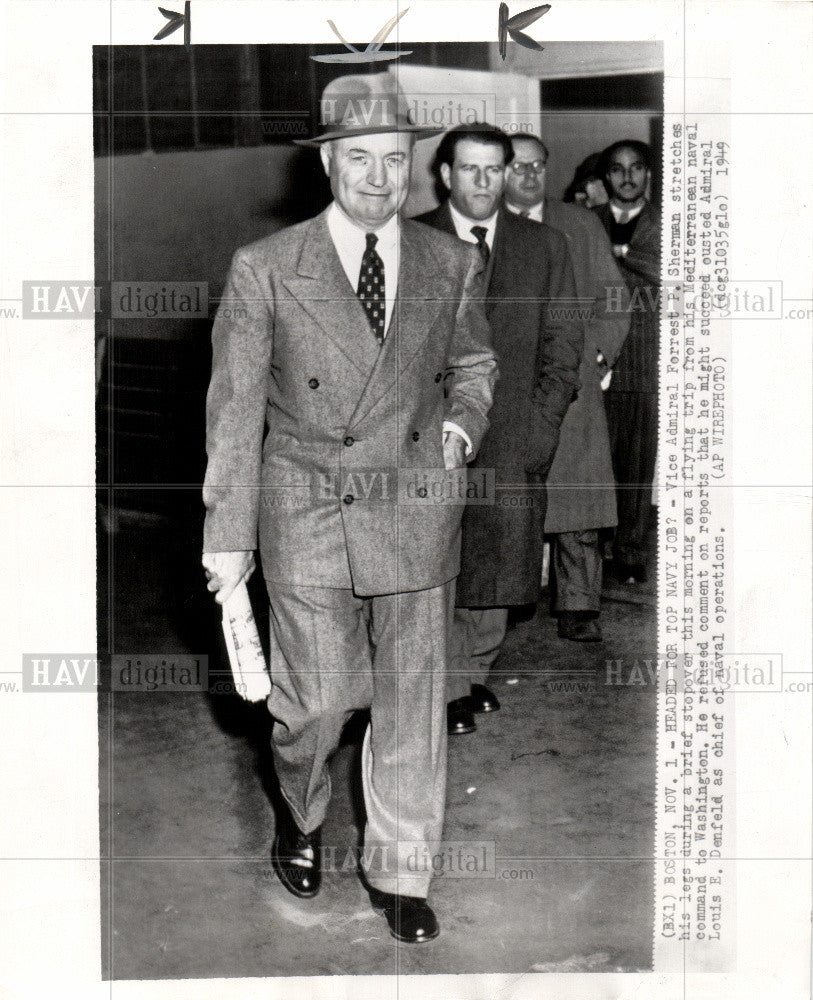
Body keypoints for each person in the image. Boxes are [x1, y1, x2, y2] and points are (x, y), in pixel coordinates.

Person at [201, 74, 497, 943]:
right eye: (359, 158)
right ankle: (299, 809)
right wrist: (228, 538)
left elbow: (473, 364)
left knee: (412, 700)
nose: (378, 178)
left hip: (414, 502)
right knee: (317, 703)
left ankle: (402, 871)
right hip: (307, 509)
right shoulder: (265, 268)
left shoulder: (453, 262)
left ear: (415, 167)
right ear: (327, 162)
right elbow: (233, 410)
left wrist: (460, 426)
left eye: (395, 160)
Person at [416, 124, 582, 733]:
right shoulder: (413, 241)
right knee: (438, 562)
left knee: (498, 570)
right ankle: (449, 683)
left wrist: (541, 431)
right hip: (435, 437)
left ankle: (469, 672)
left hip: (514, 433)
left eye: (495, 170)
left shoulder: (546, 246)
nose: (484, 183)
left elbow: (564, 346)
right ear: (445, 174)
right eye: (470, 170)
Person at [503, 134, 630, 641]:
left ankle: (579, 605)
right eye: (518, 166)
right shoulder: (484, 229)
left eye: (538, 166)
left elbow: (614, 297)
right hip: (510, 377)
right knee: (511, 491)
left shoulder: (578, 224)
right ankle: (509, 597)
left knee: (578, 492)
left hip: (572, 375)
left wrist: (598, 353)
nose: (530, 176)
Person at [593, 140, 661, 583]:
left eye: (636, 168)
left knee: (636, 466)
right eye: (617, 170)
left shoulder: (669, 223)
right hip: (593, 360)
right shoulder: (586, 222)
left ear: (648, 175)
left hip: (642, 359)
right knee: (595, 463)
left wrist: (622, 255)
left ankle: (631, 555)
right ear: (606, 179)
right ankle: (589, 557)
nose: (627, 177)